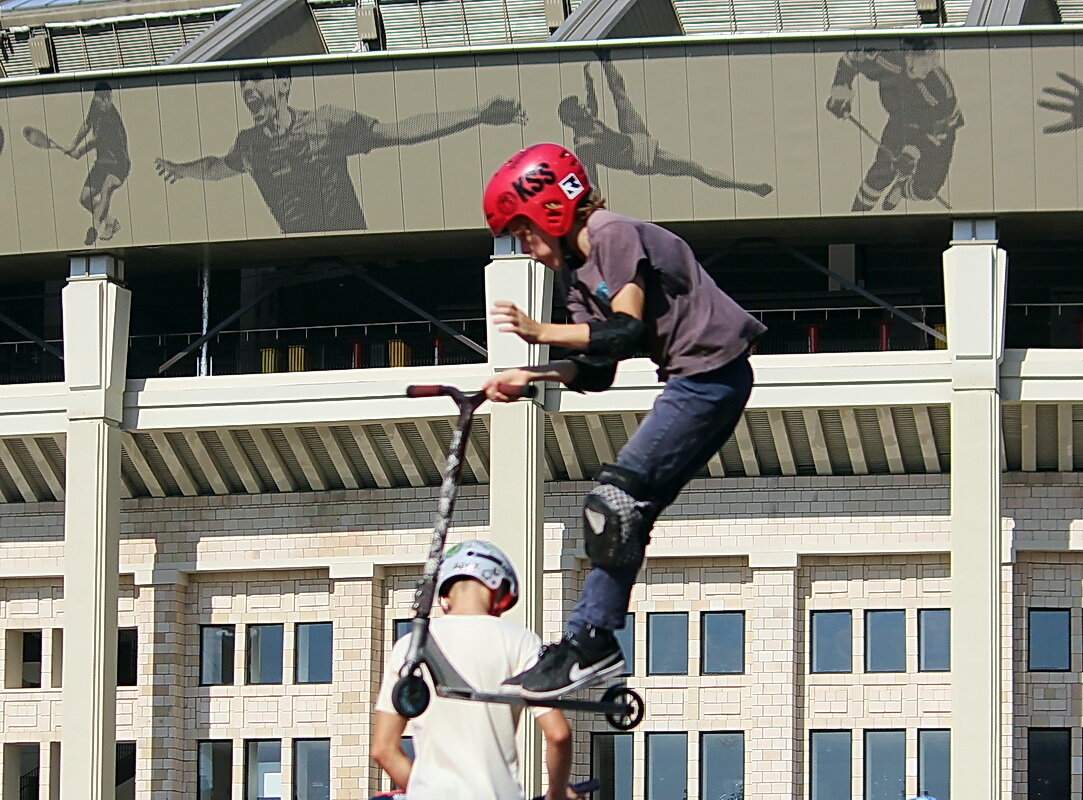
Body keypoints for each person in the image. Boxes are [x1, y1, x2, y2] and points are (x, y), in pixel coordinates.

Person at [479, 142, 765, 698]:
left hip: (712, 378)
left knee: (611, 503)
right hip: (692, 382)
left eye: (527, 233)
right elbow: (598, 368)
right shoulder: (577, 273)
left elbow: (626, 329)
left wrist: (540, 334)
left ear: (551, 212)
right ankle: (590, 640)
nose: (530, 250)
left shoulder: (611, 234)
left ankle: (592, 642)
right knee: (622, 516)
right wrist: (528, 376)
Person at [155, 65, 525, 234]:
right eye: (244, 86)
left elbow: (401, 132)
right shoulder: (249, 143)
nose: (249, 91)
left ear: (283, 85)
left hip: (349, 237)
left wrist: (477, 114)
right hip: (295, 251)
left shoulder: (327, 122)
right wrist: (182, 169)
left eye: (257, 82)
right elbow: (220, 166)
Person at [372, 540, 578, 800]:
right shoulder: (521, 641)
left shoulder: (409, 646)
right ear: (498, 585)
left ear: (445, 593)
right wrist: (557, 794)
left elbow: (383, 748)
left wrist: (424, 791)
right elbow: (558, 735)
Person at [558, 54, 772, 196]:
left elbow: (594, 100)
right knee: (693, 168)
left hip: (633, 137)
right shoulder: (584, 146)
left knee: (620, 96)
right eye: (582, 108)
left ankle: (606, 56)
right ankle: (747, 186)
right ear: (574, 119)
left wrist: (591, 79)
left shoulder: (588, 120)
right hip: (639, 158)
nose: (587, 108)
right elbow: (592, 181)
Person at [825, 38, 962, 212]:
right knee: (883, 170)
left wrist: (911, 154)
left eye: (931, 61)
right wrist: (840, 92)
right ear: (906, 56)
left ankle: (902, 189)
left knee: (926, 189)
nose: (925, 67)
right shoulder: (887, 60)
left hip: (938, 132)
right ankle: (857, 215)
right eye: (920, 60)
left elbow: (937, 135)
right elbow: (851, 60)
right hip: (901, 121)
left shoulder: (941, 92)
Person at [66, 81, 130, 246]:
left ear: (109, 98)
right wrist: (73, 144)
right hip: (101, 163)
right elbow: (87, 125)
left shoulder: (112, 120)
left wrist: (79, 152)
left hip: (119, 165)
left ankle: (95, 227)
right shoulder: (95, 106)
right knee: (85, 198)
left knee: (106, 187)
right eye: (97, 98)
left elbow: (95, 141)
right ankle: (110, 221)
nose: (100, 102)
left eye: (104, 99)